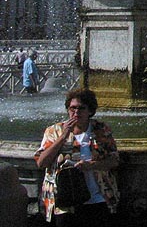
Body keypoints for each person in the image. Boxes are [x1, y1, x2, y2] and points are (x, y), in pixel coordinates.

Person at [34, 89, 120, 224]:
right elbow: (41, 162)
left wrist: (91, 165)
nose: (76, 112)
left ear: (90, 111)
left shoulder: (101, 130)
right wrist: (63, 136)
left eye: (81, 108)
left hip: (98, 197)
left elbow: (114, 160)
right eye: (72, 108)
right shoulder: (54, 131)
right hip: (64, 201)